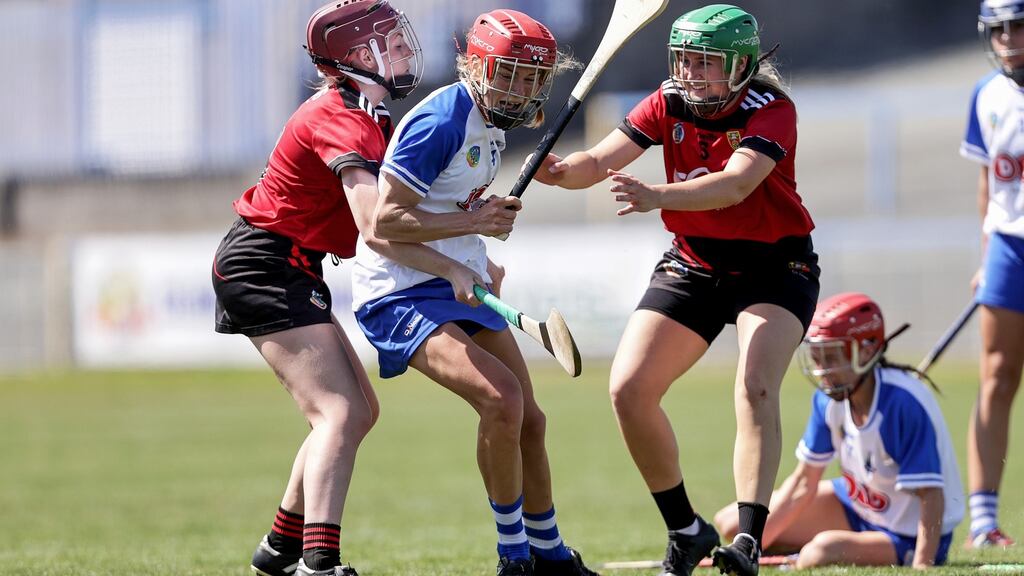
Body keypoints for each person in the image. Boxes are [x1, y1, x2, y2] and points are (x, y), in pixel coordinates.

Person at [529, 5, 819, 576]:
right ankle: (686, 530)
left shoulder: (773, 109)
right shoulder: (668, 101)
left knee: (756, 386)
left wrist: (656, 197)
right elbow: (599, 160)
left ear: (740, 66)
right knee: (629, 390)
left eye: (705, 63)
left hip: (775, 267)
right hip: (694, 262)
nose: (690, 73)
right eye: (684, 60)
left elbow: (735, 186)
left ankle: (748, 543)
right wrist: (562, 172)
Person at [351, 9, 597, 576]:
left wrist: (478, 257)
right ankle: (513, 557)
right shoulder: (440, 122)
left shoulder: (493, 124)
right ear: (479, 67)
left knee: (531, 419)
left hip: (455, 279)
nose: (523, 89)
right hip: (398, 290)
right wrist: (474, 229)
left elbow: (450, 206)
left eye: (533, 78)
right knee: (501, 399)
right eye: (510, 74)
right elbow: (384, 223)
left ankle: (550, 554)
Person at [211, 2, 439, 575]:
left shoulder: (370, 116)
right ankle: (319, 563)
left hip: (288, 263)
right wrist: (462, 244)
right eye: (395, 41)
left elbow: (394, 215)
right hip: (264, 262)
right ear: (361, 57)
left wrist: (464, 232)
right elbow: (375, 223)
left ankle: (280, 550)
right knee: (337, 411)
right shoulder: (341, 116)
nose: (408, 50)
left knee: (357, 411)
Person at [713, 292, 965, 569]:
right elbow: (803, 483)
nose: (822, 371)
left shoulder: (902, 404)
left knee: (820, 552)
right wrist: (751, 545)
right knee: (732, 524)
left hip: (908, 533)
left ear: (867, 351)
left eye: (831, 357)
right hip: (857, 507)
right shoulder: (829, 399)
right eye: (817, 357)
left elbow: (931, 495)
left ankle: (842, 547)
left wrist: (922, 564)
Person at [959, 0, 1024, 549]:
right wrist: (985, 260)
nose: (1008, 38)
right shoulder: (986, 95)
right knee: (998, 375)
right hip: (1008, 246)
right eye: (999, 28)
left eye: (1018, 25)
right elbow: (989, 185)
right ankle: (983, 522)